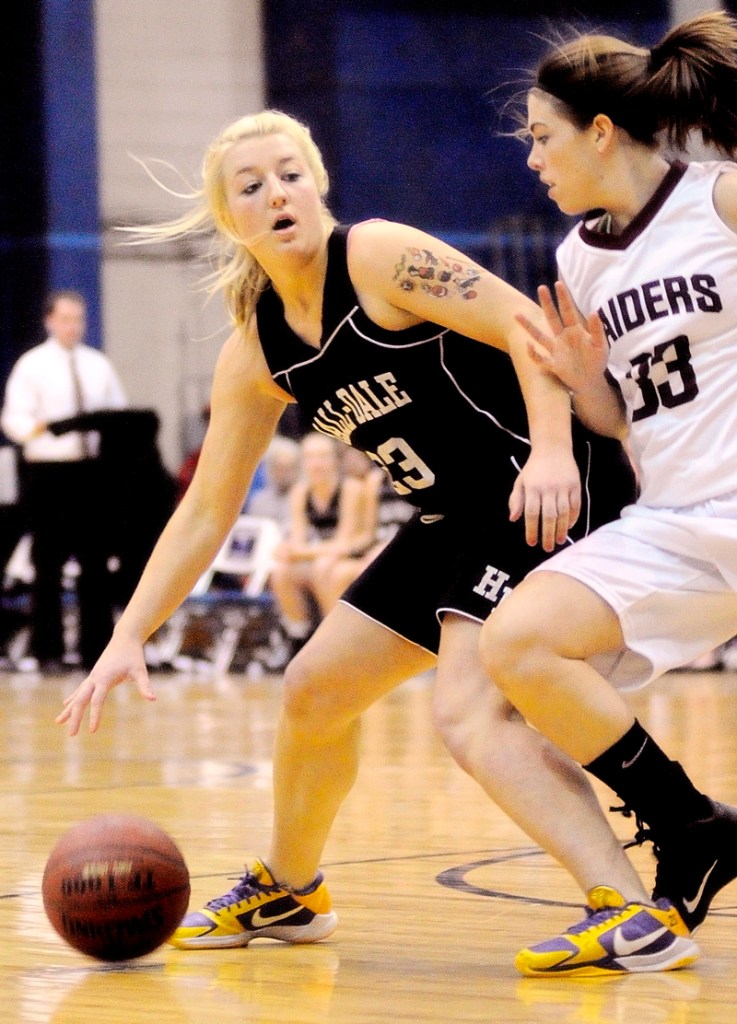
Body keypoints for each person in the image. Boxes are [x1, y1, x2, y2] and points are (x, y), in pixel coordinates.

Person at [56, 110, 645, 972]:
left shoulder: (375, 255)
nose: (276, 192)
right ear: (231, 219)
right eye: (251, 186)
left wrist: (554, 451)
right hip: (453, 518)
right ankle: (291, 890)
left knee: (465, 709)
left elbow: (529, 328)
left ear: (319, 181)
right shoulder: (255, 351)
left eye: (290, 173)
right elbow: (204, 512)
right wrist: (125, 635)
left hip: (541, 483)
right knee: (312, 691)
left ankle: (624, 908)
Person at [478, 10, 737, 976]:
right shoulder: (576, 260)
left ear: (597, 131)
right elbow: (618, 421)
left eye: (541, 136)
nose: (532, 160)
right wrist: (587, 382)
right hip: (672, 517)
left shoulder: (719, 202)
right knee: (515, 643)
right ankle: (691, 826)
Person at [1, 290, 128, 672]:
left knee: (95, 564)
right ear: (50, 320)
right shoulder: (32, 365)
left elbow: (117, 412)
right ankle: (48, 652)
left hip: (91, 473)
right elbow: (14, 418)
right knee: (49, 563)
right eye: (66, 318)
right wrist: (42, 430)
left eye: (79, 319)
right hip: (49, 473)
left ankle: (97, 651)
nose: (73, 326)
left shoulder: (98, 365)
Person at [268, 431, 366, 655]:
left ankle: (336, 642)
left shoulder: (351, 489)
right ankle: (299, 637)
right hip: (323, 556)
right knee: (281, 571)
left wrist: (299, 552)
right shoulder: (300, 493)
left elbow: (345, 541)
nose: (317, 463)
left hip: (355, 556)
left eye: (323, 456)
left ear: (335, 460)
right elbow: (298, 540)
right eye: (310, 457)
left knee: (327, 568)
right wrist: (287, 550)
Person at [313, 446, 415, 612]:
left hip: (406, 550)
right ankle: (338, 634)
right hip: (376, 550)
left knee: (365, 575)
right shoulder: (374, 481)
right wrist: (344, 550)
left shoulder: (417, 481)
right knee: (336, 573)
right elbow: (369, 534)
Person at [245, 434, 302, 533]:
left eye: (288, 468)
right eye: (279, 468)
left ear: (297, 469)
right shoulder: (258, 501)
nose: (284, 473)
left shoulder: (305, 499)